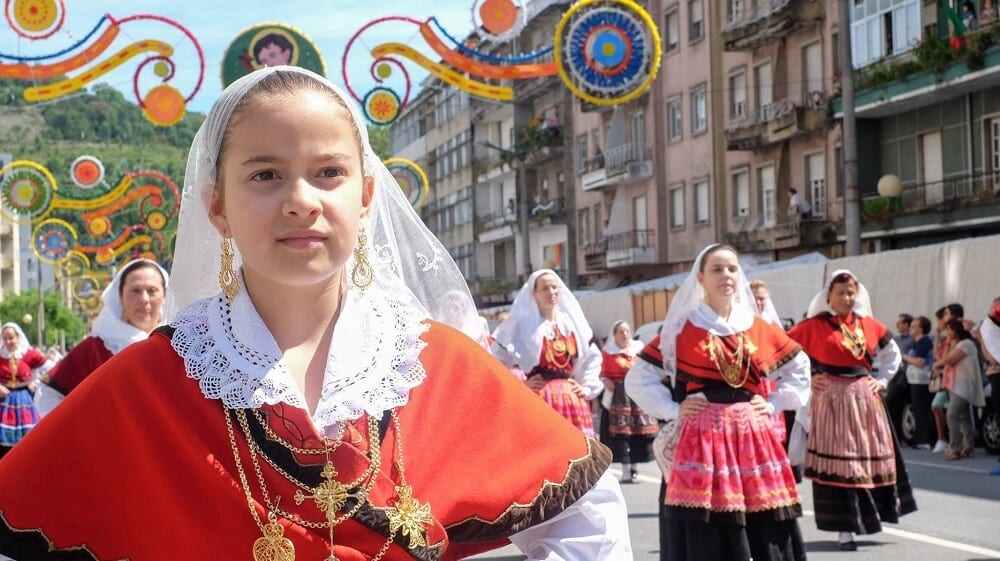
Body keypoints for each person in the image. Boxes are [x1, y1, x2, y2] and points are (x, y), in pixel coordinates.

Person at [0, 66, 631, 559]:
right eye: (266, 174)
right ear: (217, 206)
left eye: (328, 172)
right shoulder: (154, 379)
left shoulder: (432, 363)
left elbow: (587, 505)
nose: (301, 200)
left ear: (364, 197)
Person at [626, 244, 811, 561]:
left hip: (751, 433)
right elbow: (638, 377)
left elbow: (799, 366)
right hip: (702, 435)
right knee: (706, 520)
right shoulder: (682, 328)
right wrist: (673, 409)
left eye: (732, 269)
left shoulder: (756, 326)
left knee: (764, 516)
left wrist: (774, 403)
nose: (726, 275)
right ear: (700, 278)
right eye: (717, 269)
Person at [787, 269, 915, 552]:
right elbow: (784, 354)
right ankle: (845, 528)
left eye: (851, 292)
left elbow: (891, 354)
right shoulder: (812, 326)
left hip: (865, 402)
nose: (847, 298)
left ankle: (869, 519)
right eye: (841, 293)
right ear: (828, 296)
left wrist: (880, 380)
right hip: (831, 402)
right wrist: (808, 380)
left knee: (866, 462)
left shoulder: (868, 324)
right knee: (841, 465)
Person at [493, 269, 604, 437]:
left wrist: (587, 387)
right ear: (534, 293)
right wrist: (519, 386)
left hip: (572, 400)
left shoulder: (572, 323)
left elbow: (592, 356)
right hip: (539, 398)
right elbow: (495, 358)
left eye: (554, 287)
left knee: (575, 454)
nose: (551, 292)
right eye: (545, 288)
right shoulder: (521, 325)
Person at [45, 258, 168, 397]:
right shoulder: (97, 348)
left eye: (152, 291)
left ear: (164, 296)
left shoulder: (179, 344)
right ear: (120, 296)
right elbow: (47, 395)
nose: (144, 299)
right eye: (135, 290)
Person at [599, 320, 657, 484]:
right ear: (614, 335)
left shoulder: (638, 349)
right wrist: (605, 380)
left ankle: (635, 468)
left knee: (637, 432)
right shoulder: (608, 352)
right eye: (621, 332)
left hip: (637, 395)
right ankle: (625, 470)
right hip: (618, 396)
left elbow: (648, 369)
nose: (625, 335)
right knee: (622, 433)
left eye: (627, 331)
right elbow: (601, 372)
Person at [933, 318, 986, 460]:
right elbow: (943, 357)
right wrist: (948, 344)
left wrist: (936, 365)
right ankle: (968, 447)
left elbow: (949, 360)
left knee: (952, 414)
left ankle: (955, 448)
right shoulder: (956, 344)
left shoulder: (966, 344)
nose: (947, 333)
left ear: (956, 330)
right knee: (964, 417)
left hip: (964, 386)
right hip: (955, 385)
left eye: (949, 329)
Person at [0, 322, 52, 459]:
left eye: (11, 338)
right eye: (5, 338)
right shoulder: (1, 355)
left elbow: (50, 368)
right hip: (3, 400)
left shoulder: (28, 354)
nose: (8, 341)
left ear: (18, 337)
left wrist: (36, 383)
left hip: (25, 399)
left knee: (28, 435)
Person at [901, 316, 935, 450]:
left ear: (921, 329)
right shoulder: (917, 342)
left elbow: (920, 361)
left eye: (914, 326)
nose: (911, 328)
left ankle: (925, 439)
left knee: (922, 410)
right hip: (915, 381)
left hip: (921, 381)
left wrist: (903, 356)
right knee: (918, 409)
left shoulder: (924, 342)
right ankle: (921, 438)